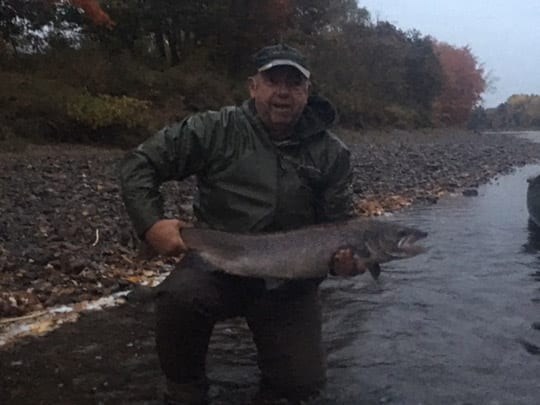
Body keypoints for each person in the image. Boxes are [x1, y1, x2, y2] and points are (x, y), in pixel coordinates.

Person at [120, 43, 362, 404]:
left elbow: (340, 225)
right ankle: (185, 390)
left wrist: (347, 263)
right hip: (218, 265)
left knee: (300, 388)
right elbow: (139, 164)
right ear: (253, 86)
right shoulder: (216, 128)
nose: (282, 91)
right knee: (178, 298)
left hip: (290, 284)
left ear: (306, 92)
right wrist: (151, 223)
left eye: (294, 83)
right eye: (272, 80)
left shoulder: (332, 153)